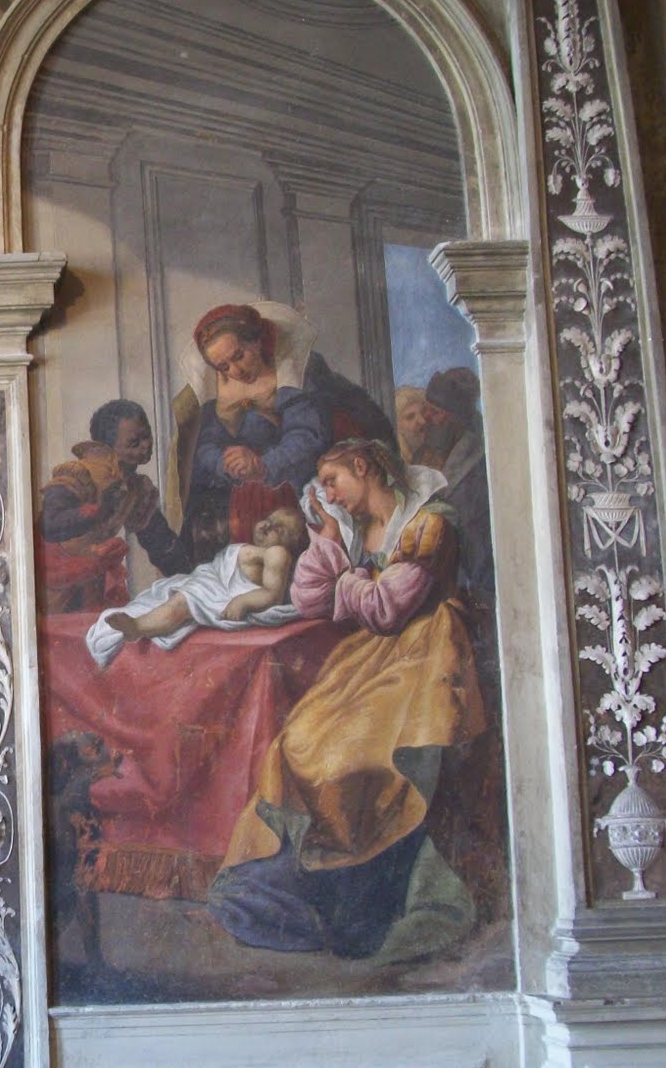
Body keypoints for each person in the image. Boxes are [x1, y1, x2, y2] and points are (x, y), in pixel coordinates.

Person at [207, 438, 486, 961]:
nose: (329, 494)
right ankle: (300, 883)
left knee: (350, 757)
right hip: (375, 657)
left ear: (363, 467)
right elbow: (312, 599)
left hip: (427, 657)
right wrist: (329, 543)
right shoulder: (357, 528)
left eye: (333, 481)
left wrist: (348, 578)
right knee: (297, 741)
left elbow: (385, 608)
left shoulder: (429, 524)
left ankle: (361, 896)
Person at [176, 303, 392, 561]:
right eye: (224, 367)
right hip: (246, 486)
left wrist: (263, 465)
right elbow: (204, 447)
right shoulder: (220, 391)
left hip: (301, 472)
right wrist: (225, 461)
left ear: (257, 340)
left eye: (239, 356)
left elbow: (307, 436)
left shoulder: (293, 369)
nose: (236, 371)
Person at [86, 506, 308, 668]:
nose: (267, 526)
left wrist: (243, 601)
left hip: (221, 591)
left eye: (279, 528)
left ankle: (138, 626)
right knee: (169, 595)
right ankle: (141, 620)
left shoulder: (278, 554)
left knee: (182, 602)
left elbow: (272, 594)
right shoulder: (262, 550)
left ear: (291, 542)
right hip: (211, 580)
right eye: (269, 519)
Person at [38, 399, 187, 614]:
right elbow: (50, 524)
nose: (146, 445)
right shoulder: (80, 474)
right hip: (53, 577)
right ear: (108, 448)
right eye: (134, 442)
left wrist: (195, 579)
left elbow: (160, 543)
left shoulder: (136, 489)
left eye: (147, 436)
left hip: (91, 578)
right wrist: (97, 512)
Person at [409, 367, 493, 597]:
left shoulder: (479, 466)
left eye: (435, 412)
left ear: (457, 421)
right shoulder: (422, 456)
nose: (425, 419)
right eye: (426, 409)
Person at [393, 384, 428, 464]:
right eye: (410, 417)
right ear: (397, 427)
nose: (422, 421)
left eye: (423, 412)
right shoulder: (397, 461)